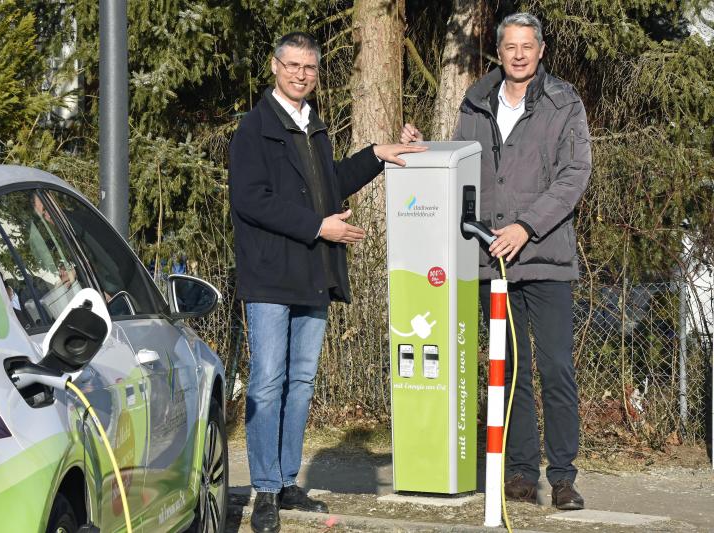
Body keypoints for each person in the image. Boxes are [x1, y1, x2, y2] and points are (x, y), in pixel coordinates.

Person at [229, 31, 426, 533]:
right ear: (274, 67)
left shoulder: (313, 126)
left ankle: (288, 480)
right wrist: (320, 226)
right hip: (271, 276)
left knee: (300, 383)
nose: (301, 75)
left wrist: (379, 153)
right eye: (292, 65)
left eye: (309, 68)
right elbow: (251, 200)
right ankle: (265, 490)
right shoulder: (254, 130)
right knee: (268, 384)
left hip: (313, 274)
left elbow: (328, 184)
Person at [401, 12, 591, 510]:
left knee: (555, 368)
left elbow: (574, 175)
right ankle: (522, 473)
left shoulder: (563, 101)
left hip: (544, 257)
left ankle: (564, 477)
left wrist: (526, 227)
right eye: (511, 46)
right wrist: (422, 151)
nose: (520, 54)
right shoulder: (475, 101)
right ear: (498, 49)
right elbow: (460, 163)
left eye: (528, 45)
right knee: (510, 372)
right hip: (492, 260)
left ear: (541, 50)